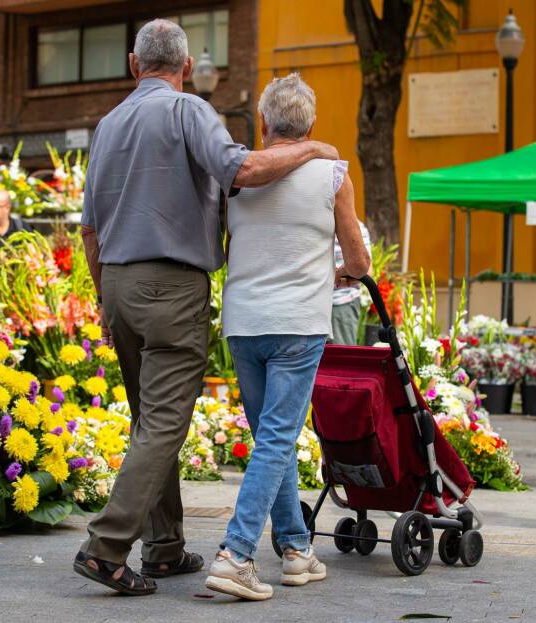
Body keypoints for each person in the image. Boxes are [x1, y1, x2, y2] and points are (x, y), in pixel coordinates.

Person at [74, 20, 341, 597]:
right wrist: (313, 147)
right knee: (166, 421)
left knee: (150, 420)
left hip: (117, 282)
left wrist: (104, 292)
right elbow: (241, 171)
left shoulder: (108, 125)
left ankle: (165, 548)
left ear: (132, 63)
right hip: (172, 287)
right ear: (187, 68)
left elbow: (89, 229)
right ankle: (106, 546)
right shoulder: (188, 110)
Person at [204, 73, 370, 601]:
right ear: (311, 125)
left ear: (262, 122)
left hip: (244, 322)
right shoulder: (333, 176)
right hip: (299, 322)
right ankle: (236, 553)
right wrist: (342, 272)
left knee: (268, 441)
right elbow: (360, 258)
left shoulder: (239, 176)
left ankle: (297, 549)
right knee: (277, 439)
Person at [331, 220, 371, 345]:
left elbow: (367, 271)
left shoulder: (358, 228)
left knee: (340, 358)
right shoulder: (358, 227)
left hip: (341, 302)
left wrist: (334, 278)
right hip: (327, 304)